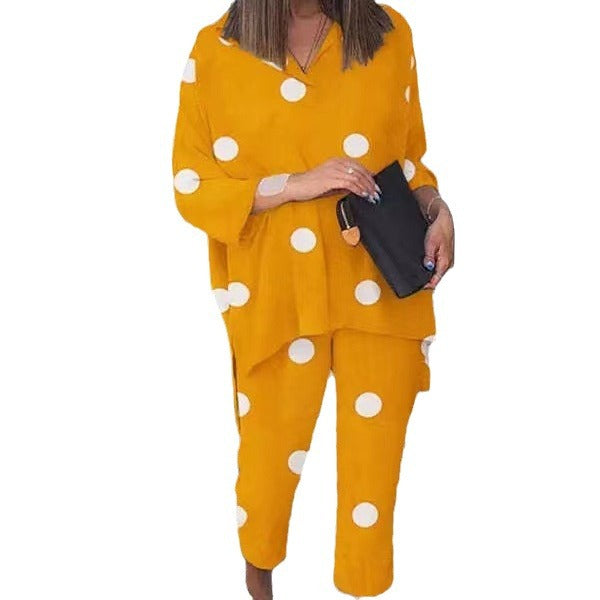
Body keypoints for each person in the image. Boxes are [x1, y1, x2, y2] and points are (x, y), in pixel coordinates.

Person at [171, 0, 455, 597]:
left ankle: (362, 587)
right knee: (268, 461)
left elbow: (408, 161)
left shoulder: (389, 35)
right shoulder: (216, 51)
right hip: (276, 289)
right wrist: (296, 185)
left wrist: (438, 210)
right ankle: (259, 569)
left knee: (374, 472)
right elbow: (192, 186)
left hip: (380, 283)